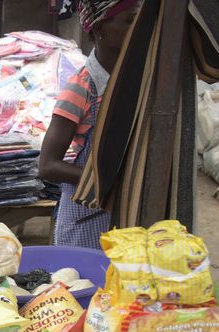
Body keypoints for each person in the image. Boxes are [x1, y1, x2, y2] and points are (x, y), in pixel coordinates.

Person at [38, 0, 141, 249]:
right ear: (98, 29)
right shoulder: (81, 89)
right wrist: (106, 183)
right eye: (129, 21)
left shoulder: (137, 82)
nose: (137, 29)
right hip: (85, 222)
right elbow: (48, 165)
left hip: (123, 219)